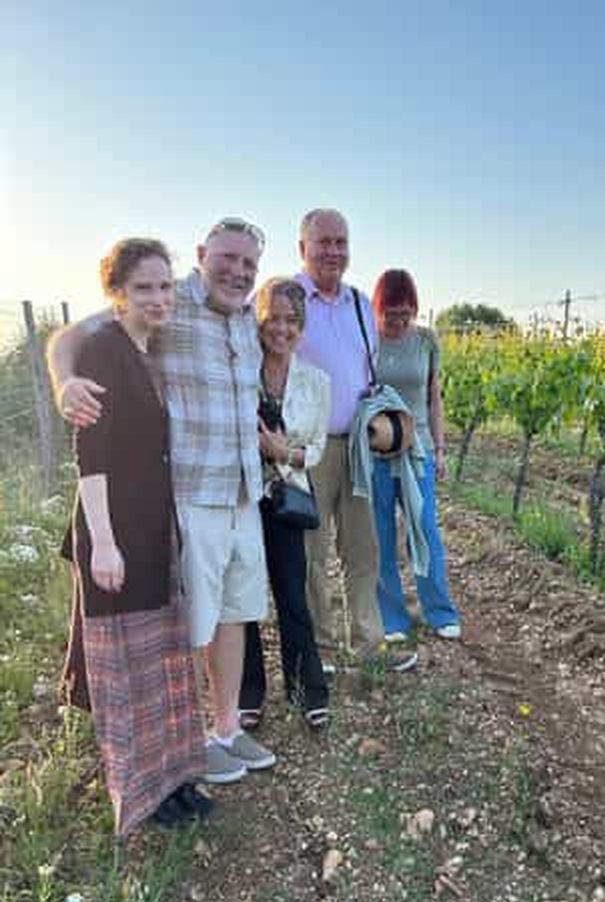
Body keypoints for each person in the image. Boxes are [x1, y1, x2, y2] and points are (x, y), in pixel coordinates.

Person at [48, 218, 275, 786]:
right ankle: (190, 737)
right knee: (189, 625)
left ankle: (226, 727)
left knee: (234, 616)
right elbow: (70, 338)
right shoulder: (169, 300)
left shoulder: (249, 315)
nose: (238, 272)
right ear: (201, 255)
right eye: (227, 258)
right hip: (193, 494)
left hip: (244, 491)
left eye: (249, 264)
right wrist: (62, 382)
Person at [66, 238, 208, 835]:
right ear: (116, 294)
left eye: (164, 286)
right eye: (144, 287)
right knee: (126, 668)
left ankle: (170, 783)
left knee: (159, 661)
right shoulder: (102, 349)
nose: (157, 298)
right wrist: (102, 541)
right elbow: (90, 454)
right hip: (116, 529)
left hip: (152, 527)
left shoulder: (147, 349)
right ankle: (140, 792)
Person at [294, 209, 417, 673]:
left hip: (358, 446)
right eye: (323, 242)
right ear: (302, 248)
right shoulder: (289, 299)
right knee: (310, 550)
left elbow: (366, 372)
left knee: (363, 549)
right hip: (309, 446)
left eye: (341, 242)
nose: (333, 251)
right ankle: (319, 650)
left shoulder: (362, 304)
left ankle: (367, 644)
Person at [238, 277, 331, 729]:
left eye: (291, 320)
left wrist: (282, 452)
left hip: (287, 497)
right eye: (272, 318)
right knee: (245, 597)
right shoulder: (240, 373)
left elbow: (316, 449)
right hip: (241, 495)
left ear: (302, 326)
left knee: (293, 594)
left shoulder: (317, 382)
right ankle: (249, 693)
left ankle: (307, 689)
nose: (281, 328)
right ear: (258, 321)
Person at [370, 269, 460, 641]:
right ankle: (392, 618)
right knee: (381, 534)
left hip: (418, 448)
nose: (399, 321)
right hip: (376, 448)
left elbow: (433, 397)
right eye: (392, 314)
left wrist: (440, 448)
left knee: (424, 531)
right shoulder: (367, 341)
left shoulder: (426, 341)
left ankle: (439, 611)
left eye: (406, 313)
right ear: (379, 309)